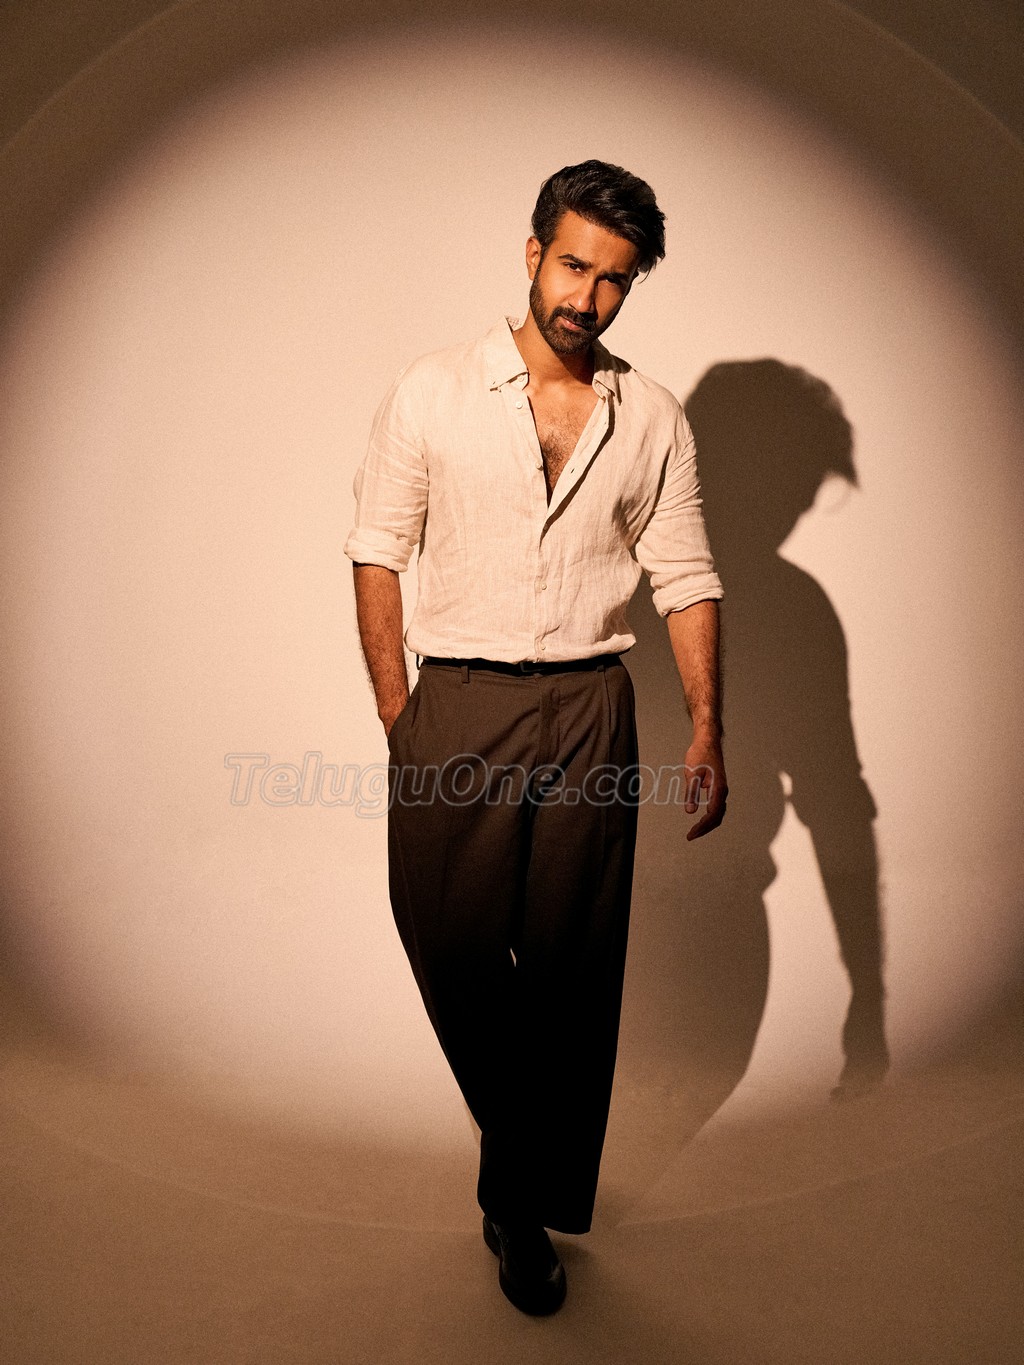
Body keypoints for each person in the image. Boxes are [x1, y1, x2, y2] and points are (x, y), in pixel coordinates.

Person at [344, 160, 727, 1315]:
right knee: (448, 937)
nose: (587, 298)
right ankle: (526, 1159)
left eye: (615, 280)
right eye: (572, 266)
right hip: (456, 701)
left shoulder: (651, 417)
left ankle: (517, 1209)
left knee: (570, 969)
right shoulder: (433, 390)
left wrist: (707, 727)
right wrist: (401, 717)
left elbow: (685, 575)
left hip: (590, 711)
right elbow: (377, 550)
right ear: (532, 254)